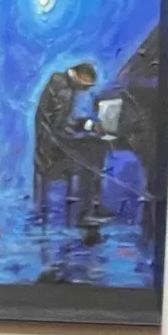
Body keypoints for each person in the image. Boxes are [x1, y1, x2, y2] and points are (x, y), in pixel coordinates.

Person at [34, 63, 112, 226]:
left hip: (53, 141)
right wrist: (86, 129)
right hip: (51, 148)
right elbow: (58, 125)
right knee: (92, 154)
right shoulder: (63, 88)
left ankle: (91, 207)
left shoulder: (63, 84)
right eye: (87, 85)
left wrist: (87, 125)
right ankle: (87, 211)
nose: (86, 89)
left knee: (93, 149)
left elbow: (64, 122)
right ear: (79, 77)